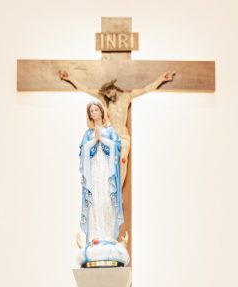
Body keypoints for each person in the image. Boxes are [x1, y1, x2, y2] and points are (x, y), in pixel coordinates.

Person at [60, 70, 175, 185]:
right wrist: (70, 78)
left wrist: (161, 79)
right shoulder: (105, 100)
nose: (108, 95)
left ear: (114, 88)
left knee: (123, 160)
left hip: (123, 136)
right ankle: (110, 191)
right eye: (106, 94)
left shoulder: (126, 97)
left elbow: (145, 89)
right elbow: (86, 89)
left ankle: (118, 193)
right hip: (110, 137)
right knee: (107, 166)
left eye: (109, 92)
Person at [77, 100, 129, 267]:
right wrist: (94, 141)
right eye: (91, 111)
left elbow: (117, 147)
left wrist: (103, 140)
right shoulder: (87, 134)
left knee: (106, 200)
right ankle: (95, 236)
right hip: (94, 174)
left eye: (96, 110)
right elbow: (83, 151)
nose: (94, 113)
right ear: (90, 115)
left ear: (101, 112)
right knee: (95, 202)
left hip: (106, 173)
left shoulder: (111, 131)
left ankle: (108, 235)